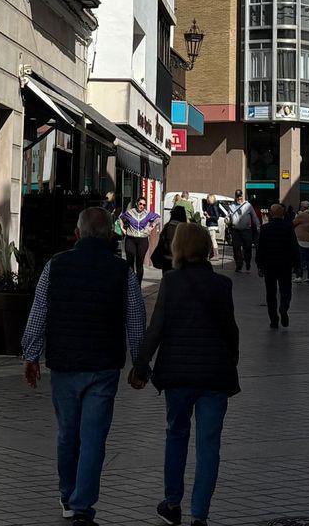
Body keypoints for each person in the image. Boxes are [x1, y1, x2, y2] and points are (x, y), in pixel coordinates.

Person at [22, 207, 147, 525]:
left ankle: (67, 494)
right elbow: (136, 320)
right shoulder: (122, 271)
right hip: (104, 366)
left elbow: (39, 311)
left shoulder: (56, 265)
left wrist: (31, 355)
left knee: (68, 434)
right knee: (93, 438)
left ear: (77, 234)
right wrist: (140, 363)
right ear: (110, 235)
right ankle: (82, 506)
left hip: (64, 364)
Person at [129, 222, 238, 526]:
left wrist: (141, 364)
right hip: (214, 376)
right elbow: (230, 330)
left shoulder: (172, 282)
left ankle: (172, 503)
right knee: (209, 446)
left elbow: (157, 327)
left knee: (176, 436)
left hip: (177, 375)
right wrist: (231, 362)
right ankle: (200, 514)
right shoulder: (222, 285)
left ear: (178, 247)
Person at [255, 202, 300, 329]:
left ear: (271, 214)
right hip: (285, 264)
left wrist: (259, 265)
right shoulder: (288, 227)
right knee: (286, 289)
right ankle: (284, 307)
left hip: (269, 265)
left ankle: (273, 319)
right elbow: (294, 246)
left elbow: (260, 248)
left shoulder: (265, 228)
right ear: (282, 214)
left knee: (271, 293)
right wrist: (297, 264)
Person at [120, 198, 161, 282]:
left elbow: (158, 218)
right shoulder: (130, 212)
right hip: (131, 239)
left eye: (144, 205)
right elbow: (121, 218)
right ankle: (131, 284)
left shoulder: (147, 214)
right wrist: (122, 228)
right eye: (140, 204)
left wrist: (151, 227)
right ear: (136, 203)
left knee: (139, 263)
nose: (142, 206)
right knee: (130, 263)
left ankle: (138, 285)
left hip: (143, 240)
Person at [224, 191, 257, 274]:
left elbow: (254, 217)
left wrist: (258, 226)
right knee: (236, 249)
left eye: (240, 196)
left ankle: (248, 264)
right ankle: (238, 265)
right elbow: (228, 215)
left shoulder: (248, 205)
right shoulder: (231, 206)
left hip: (246, 230)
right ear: (235, 197)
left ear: (242, 196)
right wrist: (227, 219)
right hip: (235, 230)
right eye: (238, 196)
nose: (239, 198)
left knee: (247, 248)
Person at [153, 206, 188, 273]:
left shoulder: (167, 226)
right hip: (181, 260)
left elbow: (161, 242)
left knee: (168, 277)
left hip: (167, 258)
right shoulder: (186, 228)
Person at [292, 201, 309, 282]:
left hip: (301, 240)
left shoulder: (302, 215)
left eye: (301, 206)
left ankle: (299, 276)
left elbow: (293, 223)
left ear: (304, 207)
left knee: (300, 259)